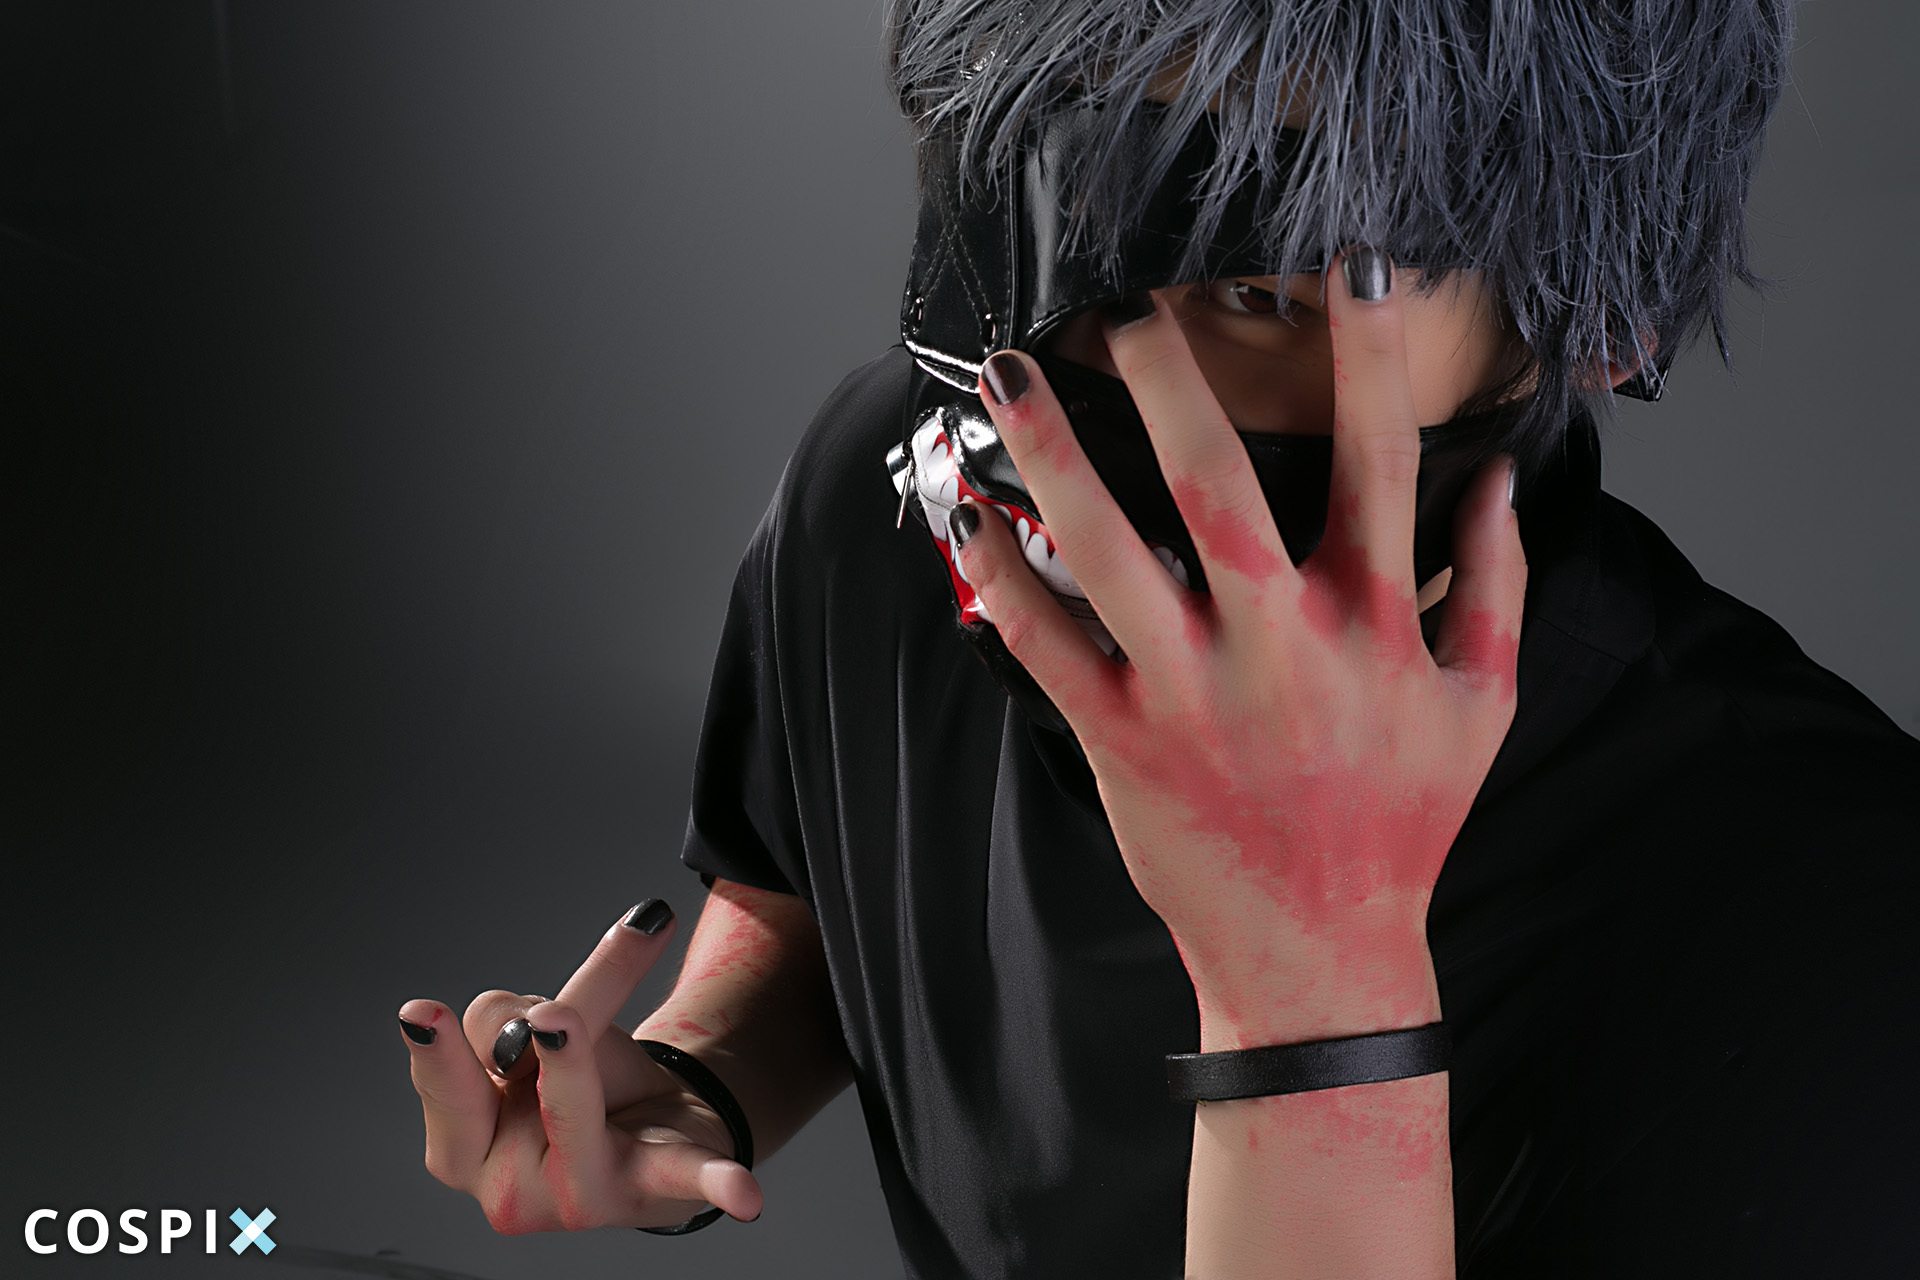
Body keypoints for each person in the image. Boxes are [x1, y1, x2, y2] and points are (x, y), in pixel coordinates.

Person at [397, 2, 1920, 1276]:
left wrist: (1317, 992)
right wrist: (701, 1073)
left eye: (1260, 286)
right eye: (1046, 212)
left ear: (1593, 317)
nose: (1064, 395)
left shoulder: (1829, 927)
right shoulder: (896, 502)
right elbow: (815, 875)